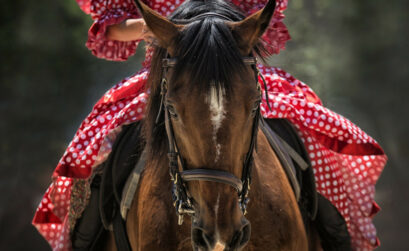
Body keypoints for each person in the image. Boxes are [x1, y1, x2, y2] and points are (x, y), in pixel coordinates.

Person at [32, 0, 387, 250]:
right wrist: (164, 27)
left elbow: (261, 15)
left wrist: (220, 26)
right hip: (172, 70)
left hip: (232, 66)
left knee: (313, 136)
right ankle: (87, 237)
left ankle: (336, 234)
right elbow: (113, 26)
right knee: (100, 152)